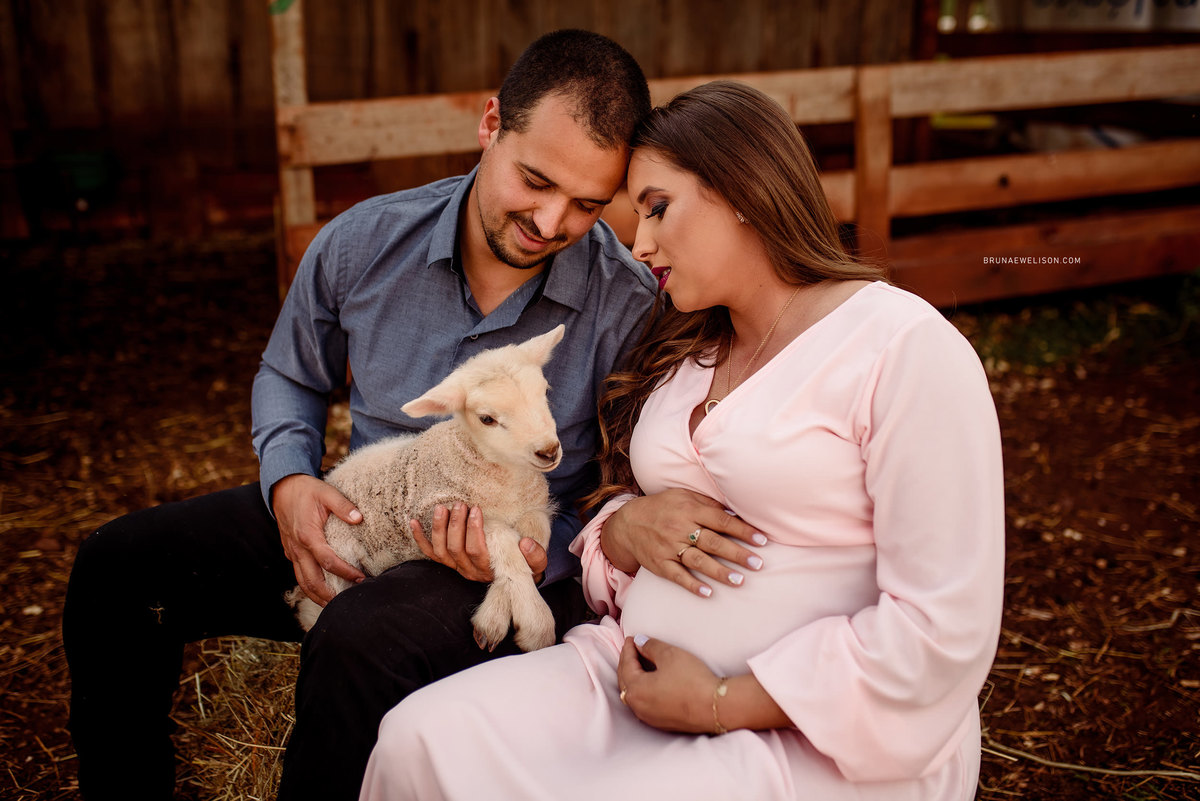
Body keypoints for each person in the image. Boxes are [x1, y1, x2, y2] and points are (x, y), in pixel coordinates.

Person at [63, 29, 668, 801]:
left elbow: (626, 484)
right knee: (117, 565)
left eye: (587, 204)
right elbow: (289, 372)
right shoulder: (361, 242)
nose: (551, 222)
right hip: (362, 511)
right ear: (490, 126)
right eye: (534, 180)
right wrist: (287, 481)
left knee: (357, 642)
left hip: (496, 562)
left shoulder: (627, 306)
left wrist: (529, 553)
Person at [359, 80, 1006, 801]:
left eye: (659, 208)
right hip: (628, 674)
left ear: (743, 188)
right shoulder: (686, 355)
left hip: (813, 731)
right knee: (422, 738)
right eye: (635, 217)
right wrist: (625, 532)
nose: (639, 244)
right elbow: (625, 528)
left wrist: (723, 699)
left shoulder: (902, 347)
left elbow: (944, 626)